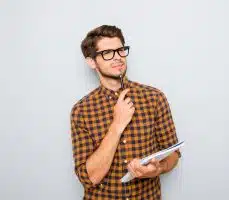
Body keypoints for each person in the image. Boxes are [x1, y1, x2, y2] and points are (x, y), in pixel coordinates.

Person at [70, 25, 181, 200]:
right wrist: (117, 125)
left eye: (120, 50)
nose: (118, 58)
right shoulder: (81, 110)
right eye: (107, 53)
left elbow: (174, 154)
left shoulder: (154, 98)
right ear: (91, 62)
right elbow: (90, 178)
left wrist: (158, 169)